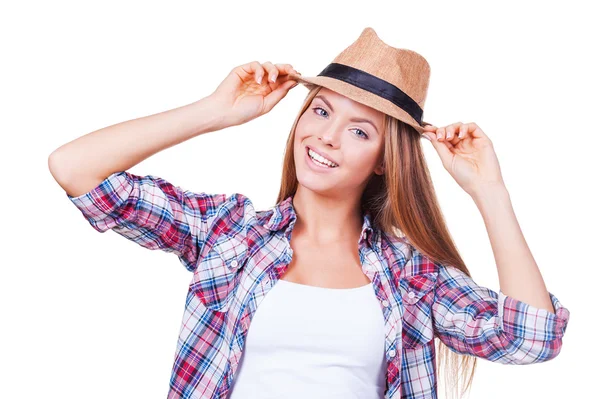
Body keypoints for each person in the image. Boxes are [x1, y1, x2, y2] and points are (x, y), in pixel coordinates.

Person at [48, 27, 570, 399]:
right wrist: (215, 112)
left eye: (359, 130)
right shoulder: (229, 236)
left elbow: (531, 338)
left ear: (386, 162)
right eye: (321, 111)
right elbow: (75, 170)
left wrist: (489, 190)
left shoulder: (411, 276)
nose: (326, 135)